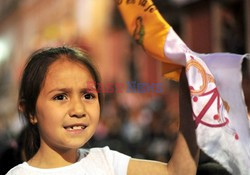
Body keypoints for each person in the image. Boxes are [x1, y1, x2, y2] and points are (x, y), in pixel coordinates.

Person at [6, 46, 199, 175]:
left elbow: (179, 172)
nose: (78, 109)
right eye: (60, 97)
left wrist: (191, 92)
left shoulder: (106, 161)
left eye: (88, 96)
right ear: (30, 111)